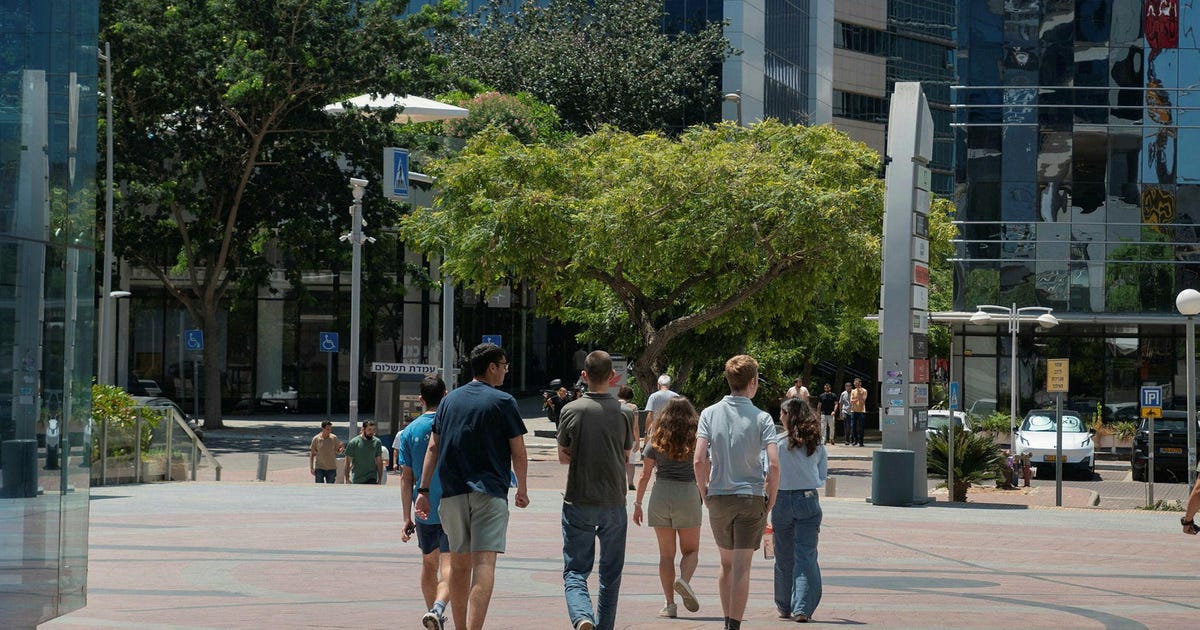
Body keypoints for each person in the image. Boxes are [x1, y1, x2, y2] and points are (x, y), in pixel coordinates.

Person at [415, 343, 530, 630]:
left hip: (452, 494)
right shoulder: (504, 402)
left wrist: (424, 490)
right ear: (491, 367)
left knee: (459, 564)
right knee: (484, 564)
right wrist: (523, 489)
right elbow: (518, 451)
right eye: (503, 364)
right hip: (489, 492)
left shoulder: (449, 402)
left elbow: (433, 448)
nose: (505, 369)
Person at [694, 354, 780, 630]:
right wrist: (771, 498)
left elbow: (698, 459)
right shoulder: (762, 418)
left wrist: (704, 491)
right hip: (751, 496)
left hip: (718, 495)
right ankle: (734, 625)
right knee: (743, 567)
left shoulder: (709, 413)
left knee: (726, 563)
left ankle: (725, 618)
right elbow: (774, 464)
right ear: (753, 382)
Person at [557, 350, 634, 630]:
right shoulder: (625, 412)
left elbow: (563, 455)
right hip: (614, 499)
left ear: (584, 376)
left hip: (579, 497)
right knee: (611, 574)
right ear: (613, 377)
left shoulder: (571, 410)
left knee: (576, 570)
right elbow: (627, 454)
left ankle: (582, 616)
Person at [633, 396, 703, 619]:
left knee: (665, 555)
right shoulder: (697, 437)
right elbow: (703, 466)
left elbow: (644, 474)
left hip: (661, 493)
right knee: (691, 550)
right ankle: (684, 581)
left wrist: (637, 503)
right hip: (687, 493)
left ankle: (669, 604)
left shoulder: (657, 435)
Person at [399, 375, 452, 630]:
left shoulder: (408, 431)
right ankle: (437, 609)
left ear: (420, 399)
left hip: (423, 508)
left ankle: (435, 616)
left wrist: (406, 516)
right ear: (445, 395)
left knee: (429, 563)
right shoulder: (452, 425)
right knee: (450, 564)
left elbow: (406, 477)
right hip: (453, 505)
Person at [772, 398, 828, 622]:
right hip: (807, 498)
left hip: (782, 499)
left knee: (783, 555)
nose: (780, 417)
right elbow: (822, 477)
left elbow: (768, 472)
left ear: (790, 416)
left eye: (783, 413)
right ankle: (802, 607)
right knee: (805, 554)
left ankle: (784, 605)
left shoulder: (777, 443)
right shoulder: (816, 443)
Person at [617, 385, 642, 490]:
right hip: (629, 437)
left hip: (616, 437)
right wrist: (637, 440)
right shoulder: (633, 407)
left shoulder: (613, 404)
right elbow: (635, 426)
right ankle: (630, 483)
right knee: (630, 462)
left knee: (618, 461)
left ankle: (618, 482)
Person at [343, 420, 383, 484]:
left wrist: (380, 479)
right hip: (357, 478)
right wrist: (346, 479)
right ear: (363, 429)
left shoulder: (377, 442)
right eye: (369, 429)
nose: (371, 432)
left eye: (373, 430)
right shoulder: (353, 443)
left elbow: (379, 461)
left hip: (371, 477)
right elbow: (347, 462)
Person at [850, 378, 868, 447]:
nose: (856, 384)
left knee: (861, 427)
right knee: (853, 426)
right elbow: (851, 401)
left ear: (860, 383)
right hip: (853, 410)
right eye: (855, 383)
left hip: (861, 411)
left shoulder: (864, 391)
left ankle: (861, 441)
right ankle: (855, 440)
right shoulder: (853, 391)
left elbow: (863, 401)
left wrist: (859, 396)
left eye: (857, 383)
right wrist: (858, 398)